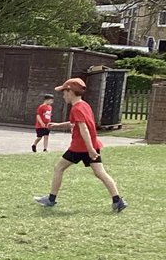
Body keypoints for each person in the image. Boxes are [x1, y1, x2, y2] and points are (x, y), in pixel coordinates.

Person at [34, 77, 128, 212]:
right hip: (92, 145)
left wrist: (90, 149)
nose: (63, 95)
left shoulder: (76, 108)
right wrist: (58, 125)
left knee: (59, 168)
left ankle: (51, 199)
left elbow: (84, 129)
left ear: (70, 92)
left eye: (64, 92)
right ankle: (117, 201)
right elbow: (75, 123)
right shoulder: (84, 105)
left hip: (79, 147)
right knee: (100, 173)